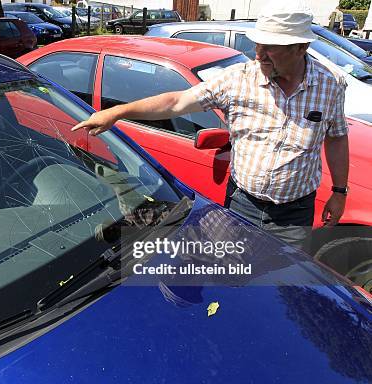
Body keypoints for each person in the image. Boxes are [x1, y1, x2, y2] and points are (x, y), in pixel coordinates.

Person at [71, 1, 349, 251]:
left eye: (270, 48)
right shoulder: (238, 80)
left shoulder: (331, 84)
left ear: (301, 47)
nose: (259, 55)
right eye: (258, 45)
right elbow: (177, 102)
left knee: (279, 282)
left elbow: (336, 137)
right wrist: (117, 112)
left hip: (295, 214)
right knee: (234, 273)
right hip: (244, 204)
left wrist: (339, 192)